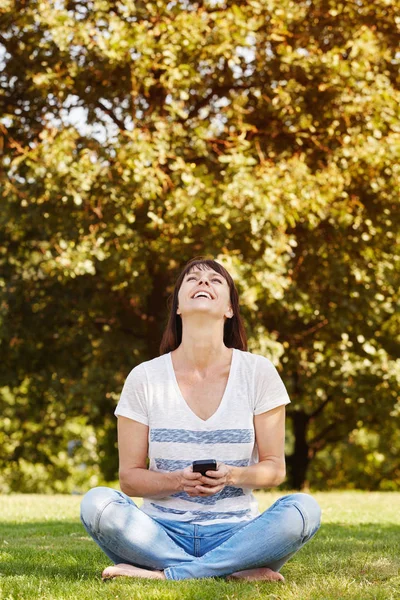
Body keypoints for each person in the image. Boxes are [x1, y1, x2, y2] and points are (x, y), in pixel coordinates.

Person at [80, 257, 321, 582]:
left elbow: (275, 468)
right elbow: (129, 478)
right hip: (159, 534)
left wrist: (231, 476)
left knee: (303, 511)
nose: (204, 282)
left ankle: (172, 575)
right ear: (178, 307)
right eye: (193, 279)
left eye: (215, 280)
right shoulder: (145, 377)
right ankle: (229, 571)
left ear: (230, 309)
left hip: (238, 532)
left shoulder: (258, 373)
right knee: (97, 503)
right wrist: (178, 481)